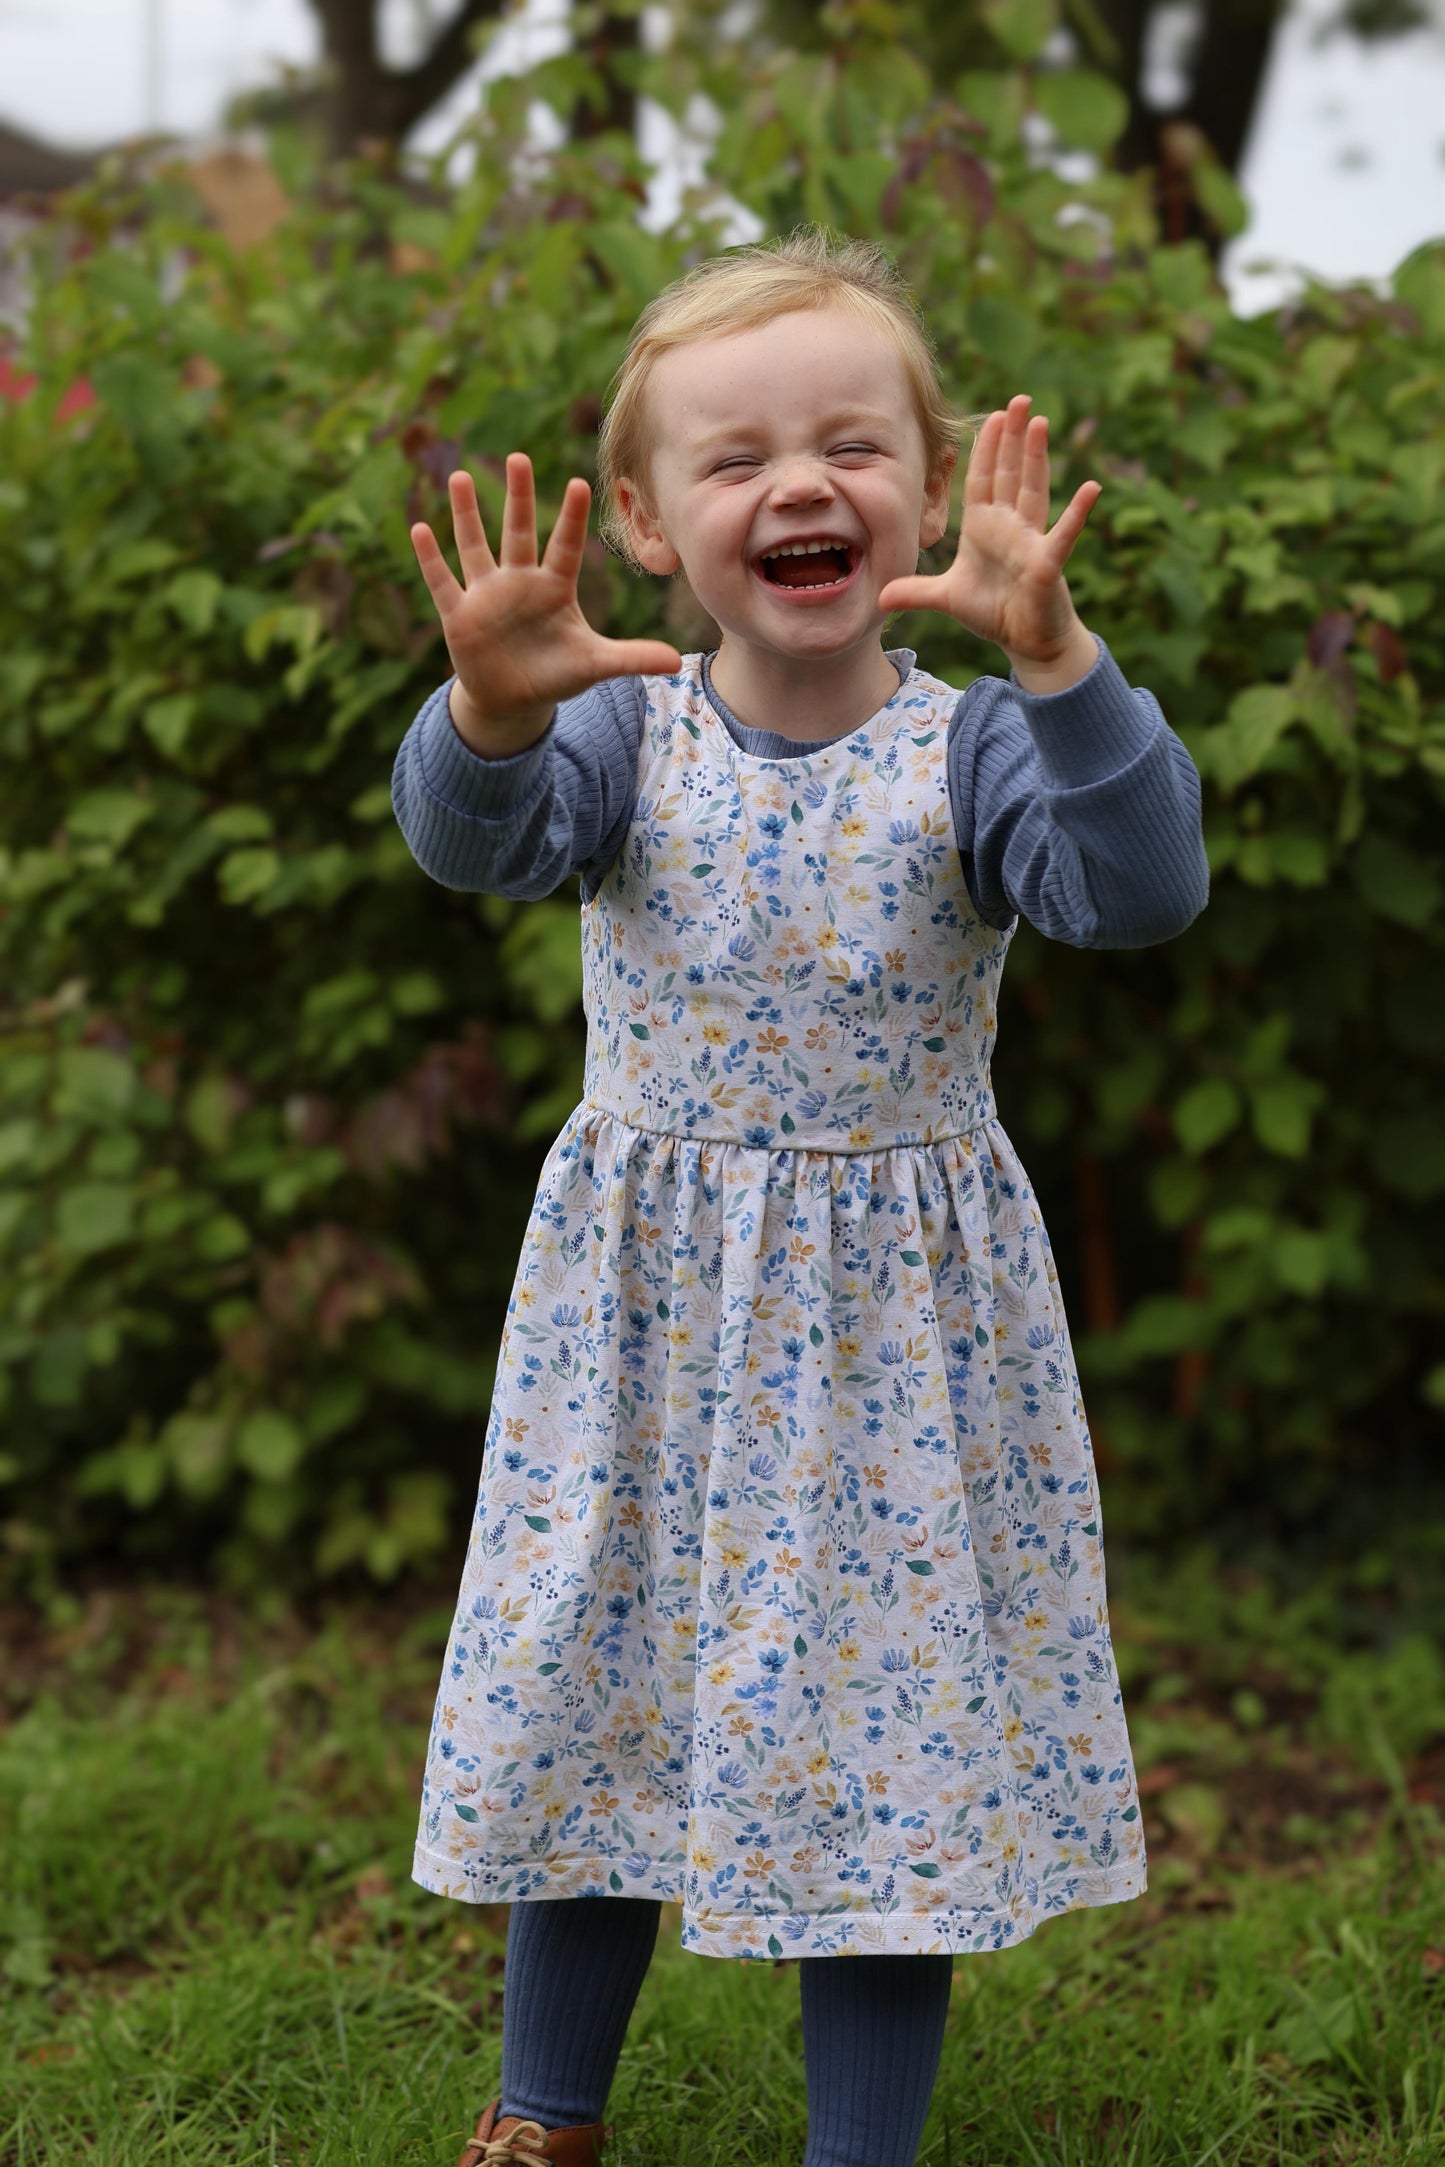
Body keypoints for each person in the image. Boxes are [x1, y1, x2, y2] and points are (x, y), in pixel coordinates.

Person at [392, 225, 1209, 2167]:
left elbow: (1144, 887)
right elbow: (478, 847)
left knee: (889, 1749)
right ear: (660, 529)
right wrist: (492, 713)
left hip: (895, 1352)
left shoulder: (986, 745)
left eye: (851, 442)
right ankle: (547, 2109)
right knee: (601, 1684)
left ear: (926, 492)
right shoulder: (619, 729)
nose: (800, 483)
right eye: (736, 456)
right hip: (647, 1322)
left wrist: (1064, 662)